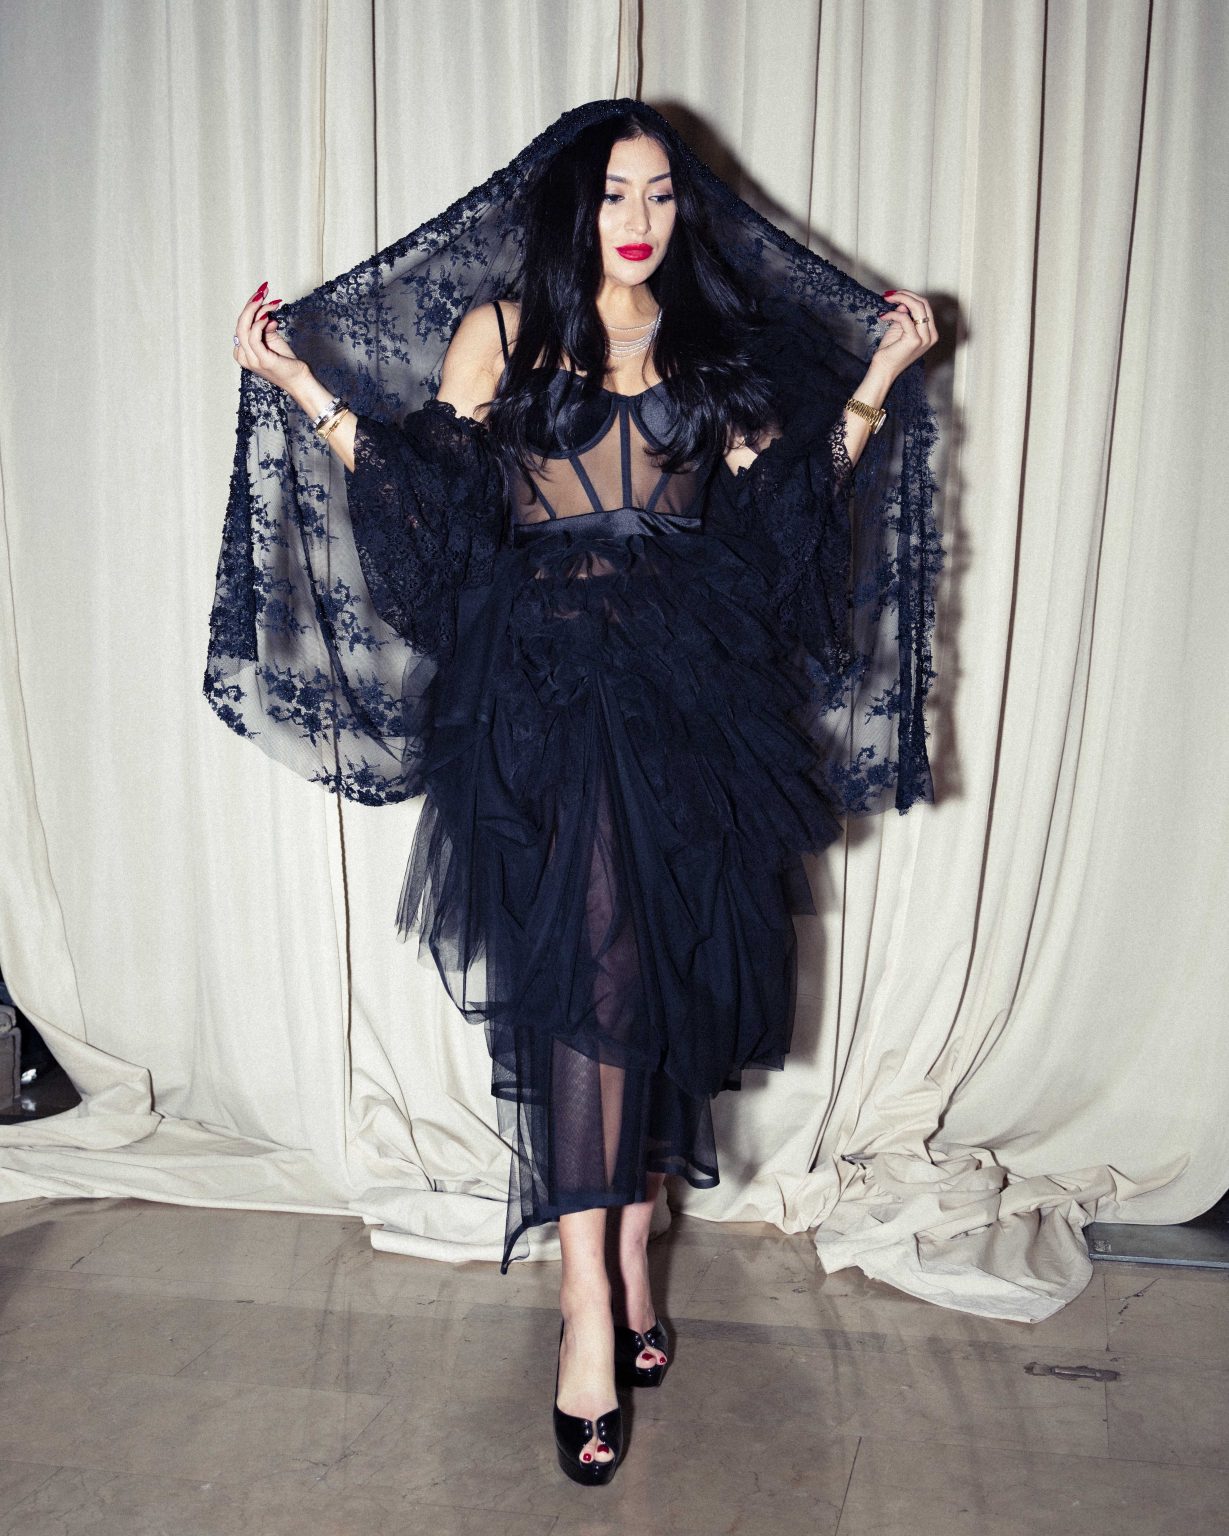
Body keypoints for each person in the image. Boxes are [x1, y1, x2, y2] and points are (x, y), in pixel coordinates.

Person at [215, 99, 941, 1485]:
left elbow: (781, 532)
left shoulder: (714, 350)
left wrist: (877, 381)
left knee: (650, 981)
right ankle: (586, 1301)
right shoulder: (500, 333)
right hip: (541, 701)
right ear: (570, 205)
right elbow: (433, 518)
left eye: (661, 195)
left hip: (692, 704)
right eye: (615, 193)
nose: (639, 220)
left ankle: (631, 1246)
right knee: (590, 980)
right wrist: (302, 387)